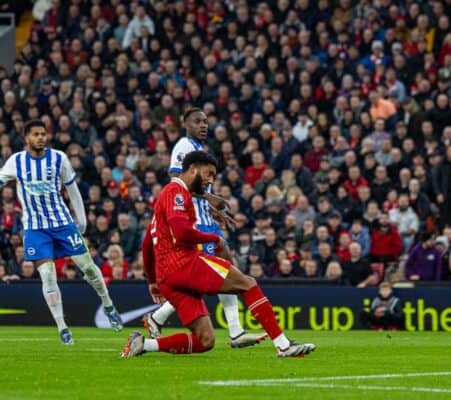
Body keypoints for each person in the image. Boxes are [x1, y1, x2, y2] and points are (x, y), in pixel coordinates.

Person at [121, 151, 315, 358]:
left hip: (167, 277)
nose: (210, 180)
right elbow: (181, 232)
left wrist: (152, 280)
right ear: (193, 168)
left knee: (205, 340)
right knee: (248, 284)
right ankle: (284, 345)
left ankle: (143, 345)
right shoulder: (176, 192)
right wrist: (214, 239)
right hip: (183, 263)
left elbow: (147, 242)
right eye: (208, 173)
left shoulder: (166, 200)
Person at [143, 108, 265, 348]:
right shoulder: (184, 147)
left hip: (204, 219)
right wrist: (212, 199)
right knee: (214, 273)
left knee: (224, 268)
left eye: (206, 122)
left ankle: (235, 330)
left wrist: (213, 210)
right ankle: (158, 318)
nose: (203, 125)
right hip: (192, 223)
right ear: (184, 123)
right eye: (197, 121)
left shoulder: (198, 150)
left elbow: (197, 192)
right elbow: (177, 183)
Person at [0, 119, 122, 344]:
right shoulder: (16, 162)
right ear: (27, 138)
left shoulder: (59, 158)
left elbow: (72, 190)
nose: (41, 138)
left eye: (43, 134)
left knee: (88, 267)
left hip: (63, 224)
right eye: (36, 134)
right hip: (36, 228)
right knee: (47, 275)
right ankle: (63, 328)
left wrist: (82, 220)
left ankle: (108, 305)